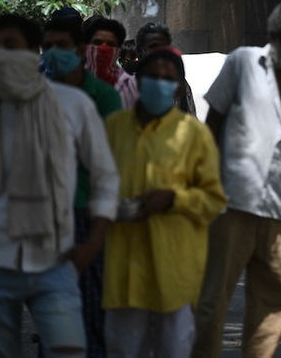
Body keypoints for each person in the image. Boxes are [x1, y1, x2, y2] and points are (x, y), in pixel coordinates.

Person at [0, 14, 119, 356]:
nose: (0, 54)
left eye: (10, 45)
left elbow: (106, 176)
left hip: (54, 261)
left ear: (34, 52)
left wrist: (93, 242)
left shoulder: (73, 104)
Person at [192, 0, 281, 357]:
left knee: (271, 301)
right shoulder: (242, 63)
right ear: (276, 35)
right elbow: (212, 125)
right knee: (212, 299)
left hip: (278, 209)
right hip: (230, 201)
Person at [103, 48, 227, 357]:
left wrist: (174, 199)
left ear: (177, 85)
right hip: (124, 265)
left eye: (167, 79)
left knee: (174, 349)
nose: (160, 84)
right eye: (152, 77)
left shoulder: (194, 135)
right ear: (138, 81)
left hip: (176, 264)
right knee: (122, 348)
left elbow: (214, 200)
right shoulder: (114, 128)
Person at [41, 13, 123, 358]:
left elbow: (107, 169)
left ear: (77, 49)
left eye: (61, 46)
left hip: (85, 213)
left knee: (90, 313)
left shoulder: (104, 96)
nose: (53, 53)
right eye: (47, 47)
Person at [135, 22, 197, 115]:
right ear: (140, 52)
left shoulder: (181, 86)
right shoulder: (128, 86)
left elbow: (189, 119)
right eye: (153, 46)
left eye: (164, 47)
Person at [83, 16, 139, 107]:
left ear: (118, 50)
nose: (104, 48)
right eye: (98, 43)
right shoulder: (73, 81)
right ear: (86, 47)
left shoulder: (130, 85)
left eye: (110, 44)